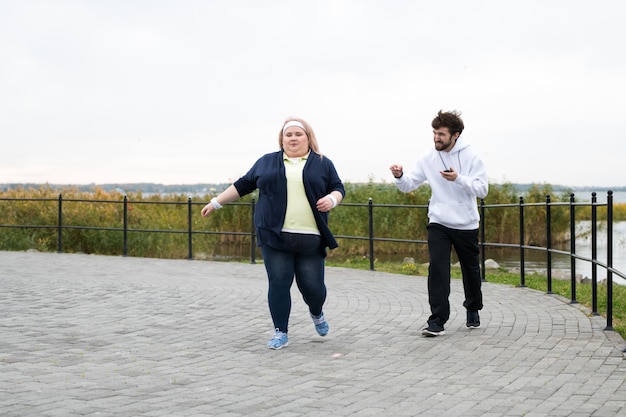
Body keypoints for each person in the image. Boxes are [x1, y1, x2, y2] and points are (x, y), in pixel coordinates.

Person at [201, 117, 345, 349]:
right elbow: (243, 184)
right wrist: (216, 203)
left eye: (299, 134)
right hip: (273, 236)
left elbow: (338, 188)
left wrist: (331, 199)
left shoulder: (322, 163)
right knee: (278, 283)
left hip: (310, 237)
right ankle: (281, 331)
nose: (293, 138)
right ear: (282, 139)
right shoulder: (267, 162)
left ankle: (316, 312)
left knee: (314, 288)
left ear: (308, 138)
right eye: (288, 135)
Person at [389, 110, 488, 337]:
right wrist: (400, 176)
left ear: (456, 135)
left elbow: (482, 189)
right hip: (439, 222)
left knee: (470, 270)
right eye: (434, 133)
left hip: (466, 224)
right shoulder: (427, 158)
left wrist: (459, 179)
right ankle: (437, 320)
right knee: (438, 269)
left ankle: (473, 307)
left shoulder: (472, 156)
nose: (436, 138)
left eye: (441, 134)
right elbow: (409, 185)